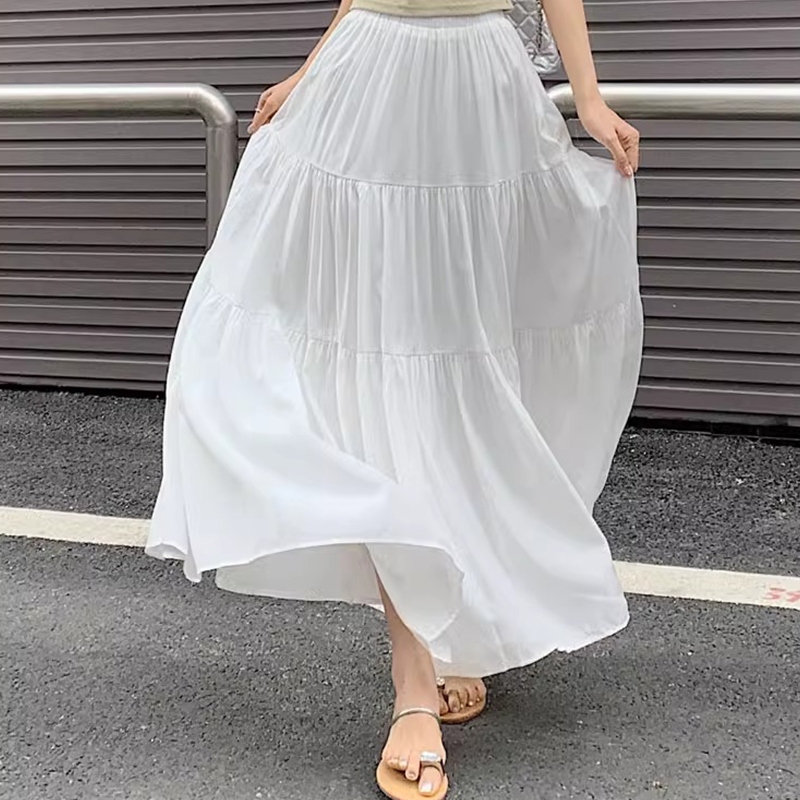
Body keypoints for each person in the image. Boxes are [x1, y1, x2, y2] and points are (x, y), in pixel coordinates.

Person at [146, 0, 642, 796]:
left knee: (471, 375)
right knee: (384, 373)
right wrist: (309, 72)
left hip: (478, 92)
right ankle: (414, 681)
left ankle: (460, 625)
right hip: (368, 78)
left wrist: (587, 96)